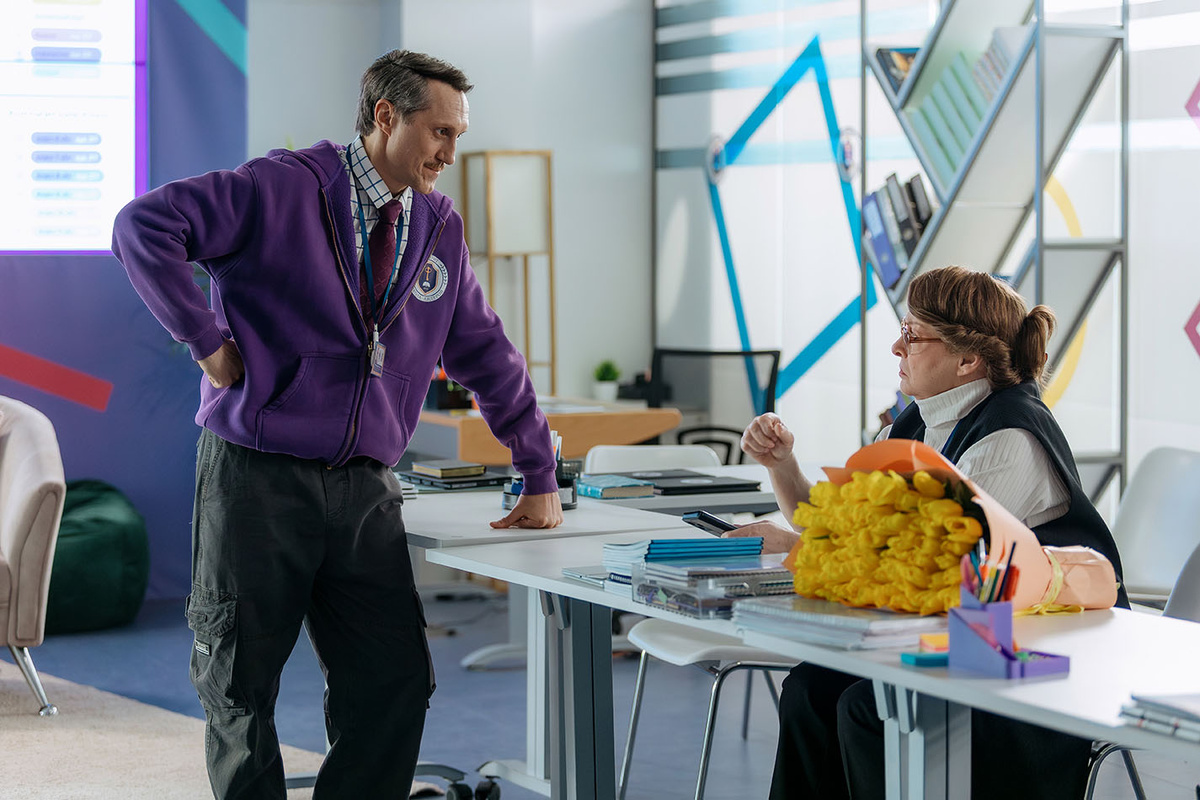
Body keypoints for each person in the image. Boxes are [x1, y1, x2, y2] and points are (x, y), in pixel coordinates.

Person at [111, 50, 563, 799]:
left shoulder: (437, 227)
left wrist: (538, 468)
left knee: (392, 683)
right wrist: (206, 340)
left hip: (364, 489)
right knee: (239, 687)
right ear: (386, 115)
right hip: (255, 478)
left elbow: (486, 350)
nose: (450, 153)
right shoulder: (278, 188)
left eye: (458, 135)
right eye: (440, 132)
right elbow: (143, 225)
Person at [731, 266, 1127, 800]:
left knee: (867, 708)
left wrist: (798, 548)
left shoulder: (1010, 439)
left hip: (1034, 664)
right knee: (808, 690)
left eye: (912, 335)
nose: (897, 347)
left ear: (967, 360)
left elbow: (929, 565)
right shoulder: (915, 422)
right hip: (957, 637)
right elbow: (842, 527)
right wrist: (782, 465)